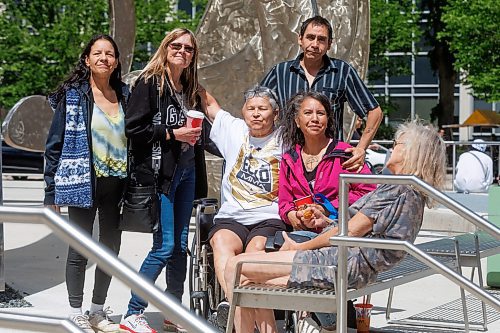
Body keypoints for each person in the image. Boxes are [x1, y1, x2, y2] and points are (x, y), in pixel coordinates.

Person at [223, 120, 447, 333]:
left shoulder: (397, 188)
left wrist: (300, 247)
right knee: (247, 278)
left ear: (411, 152)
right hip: (352, 265)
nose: (392, 147)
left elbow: (350, 232)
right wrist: (325, 221)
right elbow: (356, 228)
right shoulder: (410, 191)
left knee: (236, 266)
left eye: (397, 143)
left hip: (339, 264)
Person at [119, 28, 212, 333]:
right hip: (161, 176)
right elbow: (133, 129)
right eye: (177, 46)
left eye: (188, 48)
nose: (182, 51)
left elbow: (202, 134)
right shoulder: (150, 82)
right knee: (165, 245)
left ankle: (173, 309)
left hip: (186, 173)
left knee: (180, 245)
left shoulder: (189, 87)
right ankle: (133, 312)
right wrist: (174, 133)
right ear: (166, 47)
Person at [44, 34, 128, 333]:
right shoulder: (74, 95)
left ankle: (97, 310)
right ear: (87, 59)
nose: (104, 58)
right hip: (82, 180)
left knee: (110, 249)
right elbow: (54, 144)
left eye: (110, 54)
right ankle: (75, 311)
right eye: (98, 53)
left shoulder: (125, 95)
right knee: (79, 248)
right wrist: (50, 190)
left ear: (116, 61)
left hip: (117, 184)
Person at [200, 85, 286, 331]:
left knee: (254, 253)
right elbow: (209, 103)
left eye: (263, 108)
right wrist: (186, 72)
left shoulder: (285, 139)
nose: (256, 114)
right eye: (251, 108)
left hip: (268, 217)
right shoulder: (234, 130)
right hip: (232, 217)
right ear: (243, 112)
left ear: (275, 114)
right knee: (221, 244)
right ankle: (235, 301)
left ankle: (233, 303)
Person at [261, 15, 383, 172]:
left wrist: (361, 148)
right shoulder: (280, 72)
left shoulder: (342, 72)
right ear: (300, 39)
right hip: (288, 160)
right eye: (310, 37)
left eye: (321, 39)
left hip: (329, 162)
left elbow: (375, 111)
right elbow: (257, 105)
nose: (315, 44)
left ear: (329, 44)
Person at [279, 91, 375, 235]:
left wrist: (326, 207)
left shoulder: (345, 154)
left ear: (328, 119)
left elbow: (369, 192)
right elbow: (284, 203)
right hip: (303, 232)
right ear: (297, 121)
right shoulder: (289, 159)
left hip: (339, 230)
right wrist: (291, 215)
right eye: (307, 113)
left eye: (320, 113)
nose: (315, 118)